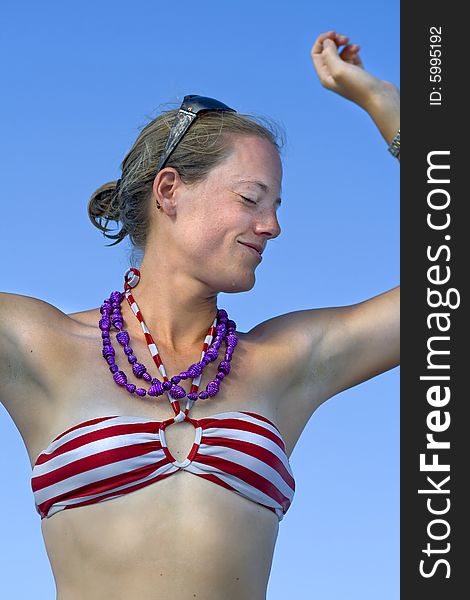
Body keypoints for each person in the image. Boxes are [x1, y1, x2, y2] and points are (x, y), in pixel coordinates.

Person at [0, 30, 399, 600]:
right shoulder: (37, 346)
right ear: (169, 191)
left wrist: (387, 103)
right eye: (249, 199)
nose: (272, 226)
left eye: (276, 207)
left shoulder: (285, 363)